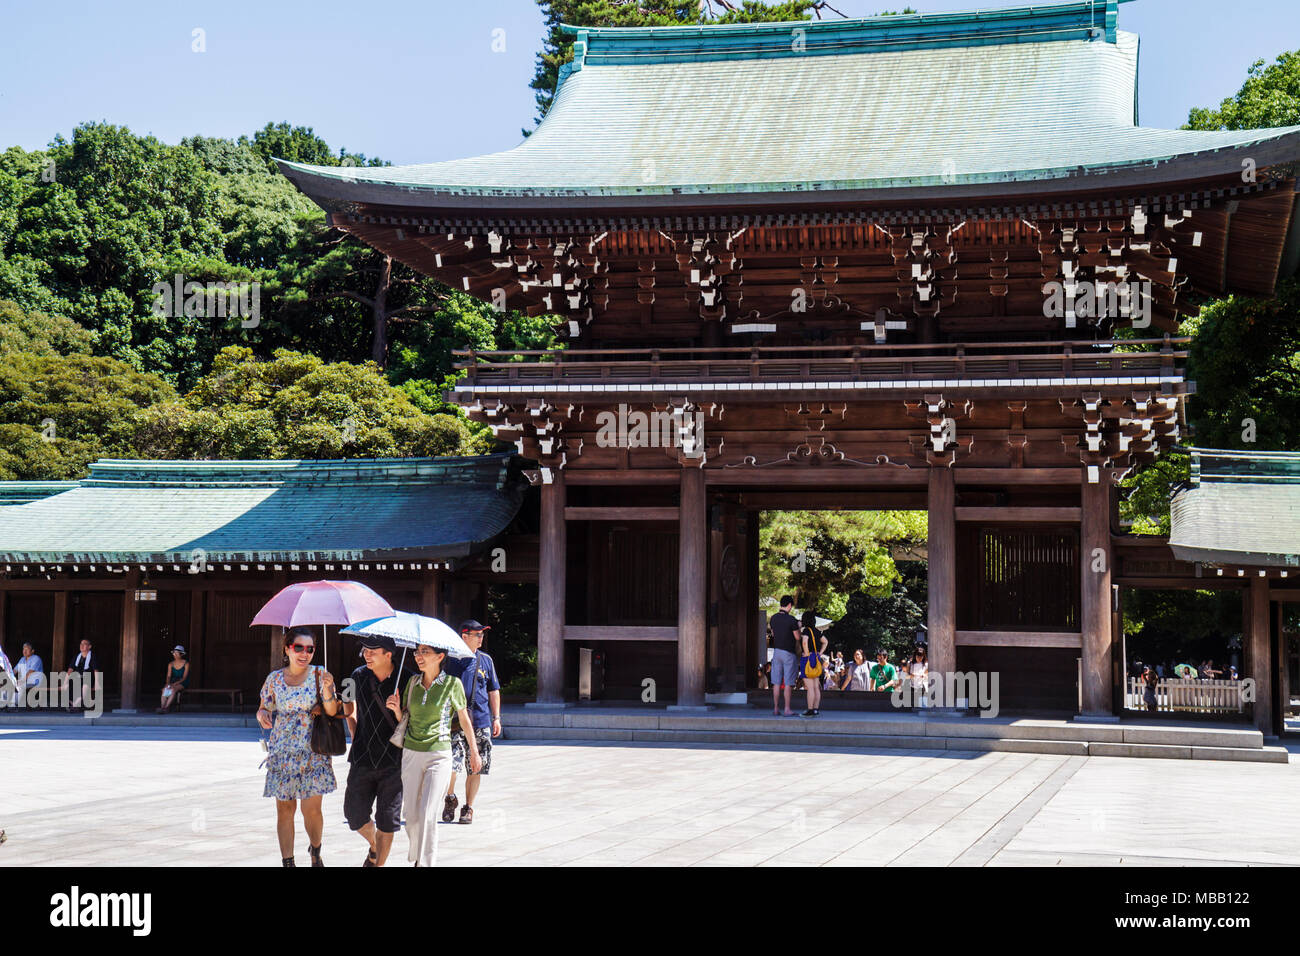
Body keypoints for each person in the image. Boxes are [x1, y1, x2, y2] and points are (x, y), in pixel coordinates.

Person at [386, 643, 481, 867]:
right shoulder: (412, 683)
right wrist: (396, 709)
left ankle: (424, 862)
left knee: (428, 813)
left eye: (424, 652)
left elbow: (464, 719)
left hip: (439, 754)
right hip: (411, 752)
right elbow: (406, 718)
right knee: (410, 815)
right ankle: (419, 854)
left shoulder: (452, 684)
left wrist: (473, 751)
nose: (418, 656)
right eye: (417, 652)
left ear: (440, 656)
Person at [256, 628, 339, 867]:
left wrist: (327, 690)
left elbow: (332, 711)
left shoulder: (320, 674)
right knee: (285, 810)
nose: (304, 653)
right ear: (287, 649)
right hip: (282, 750)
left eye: (309, 649)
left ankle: (315, 850)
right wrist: (262, 714)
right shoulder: (274, 679)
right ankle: (288, 861)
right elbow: (264, 707)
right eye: (299, 648)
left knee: (311, 810)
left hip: (312, 749)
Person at [341, 634, 404, 867]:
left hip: (394, 760)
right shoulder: (356, 675)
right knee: (353, 815)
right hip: (362, 756)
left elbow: (412, 719)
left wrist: (398, 711)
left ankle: (379, 863)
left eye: (372, 651)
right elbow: (346, 702)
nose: (366, 654)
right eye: (364, 650)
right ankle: (375, 846)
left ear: (388, 653)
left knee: (387, 820)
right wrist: (353, 728)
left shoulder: (407, 678)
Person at [442, 620, 501, 825]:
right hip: (455, 722)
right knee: (451, 764)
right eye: (477, 635)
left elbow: (493, 689)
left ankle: (468, 807)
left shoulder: (486, 660)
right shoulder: (450, 660)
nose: (481, 638)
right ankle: (450, 798)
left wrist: (496, 717)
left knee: (476, 766)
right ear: (464, 636)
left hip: (481, 720)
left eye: (482, 635)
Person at [768, 597, 801, 716]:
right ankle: (787, 709)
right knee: (788, 682)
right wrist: (799, 627)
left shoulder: (773, 618)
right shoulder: (791, 620)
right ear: (790, 605)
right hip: (788, 653)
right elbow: (797, 637)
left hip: (776, 652)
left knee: (776, 682)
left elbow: (773, 634)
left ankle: (776, 708)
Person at [799, 611, 827, 718]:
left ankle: (810, 709)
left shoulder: (806, 630)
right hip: (816, 657)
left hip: (808, 658)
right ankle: (815, 709)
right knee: (816, 686)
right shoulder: (817, 631)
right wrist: (820, 653)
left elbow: (805, 642)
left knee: (809, 687)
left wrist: (806, 654)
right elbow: (825, 641)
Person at [65, 639, 100, 711]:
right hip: (78, 678)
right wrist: (65, 681)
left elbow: (96, 670)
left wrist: (97, 683)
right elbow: (70, 669)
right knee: (70, 683)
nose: (81, 645)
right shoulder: (77, 656)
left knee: (85, 686)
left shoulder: (92, 656)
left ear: (89, 646)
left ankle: (75, 705)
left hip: (89, 678)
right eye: (81, 644)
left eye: (84, 644)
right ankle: (73, 704)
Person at [157, 645, 190, 713]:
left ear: (181, 654)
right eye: (174, 653)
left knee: (173, 689)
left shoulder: (186, 663)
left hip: (182, 681)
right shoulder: (171, 664)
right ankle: (162, 707)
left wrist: (175, 684)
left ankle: (166, 708)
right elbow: (168, 676)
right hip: (173, 680)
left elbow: (184, 677)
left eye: (176, 653)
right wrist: (168, 683)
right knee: (165, 689)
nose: (174, 654)